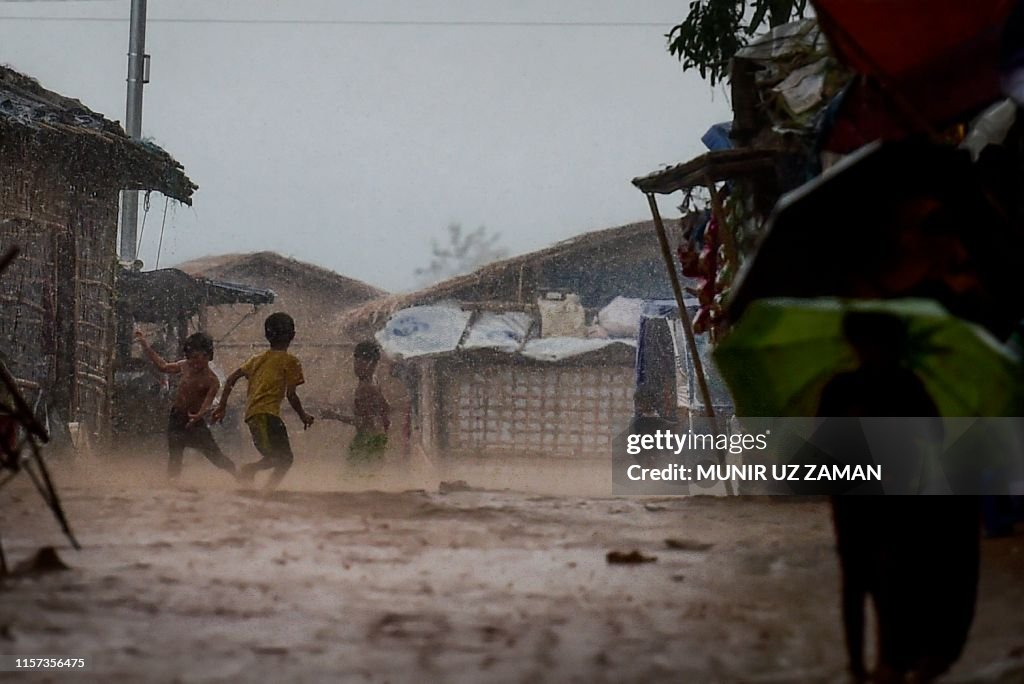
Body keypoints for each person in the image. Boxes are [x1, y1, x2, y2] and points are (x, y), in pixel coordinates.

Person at [818, 311, 980, 683]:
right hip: (853, 502)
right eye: (868, 342)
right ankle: (859, 665)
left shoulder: (907, 387)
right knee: (857, 582)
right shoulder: (843, 389)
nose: (875, 350)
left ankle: (888, 662)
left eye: (882, 343)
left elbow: (933, 442)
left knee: (890, 582)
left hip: (895, 503)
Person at [211, 312, 314, 490]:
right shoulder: (291, 361)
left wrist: (222, 406)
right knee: (278, 458)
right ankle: (249, 471)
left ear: (267, 335)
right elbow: (291, 395)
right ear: (293, 335)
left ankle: (268, 491)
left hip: (259, 416)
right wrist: (303, 415)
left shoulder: (256, 359)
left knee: (286, 459)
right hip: (264, 416)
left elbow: (230, 380)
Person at [135, 330, 237, 480]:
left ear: (208, 356)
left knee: (215, 456)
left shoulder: (211, 380)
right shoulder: (185, 366)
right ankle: (172, 485)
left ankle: (237, 474)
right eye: (190, 358)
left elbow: (208, 402)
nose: (193, 362)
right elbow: (163, 366)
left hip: (194, 421)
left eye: (197, 358)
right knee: (175, 456)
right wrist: (145, 345)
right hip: (177, 417)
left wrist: (199, 415)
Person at [321, 340, 391, 465]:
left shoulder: (366, 388)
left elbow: (362, 421)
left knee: (356, 478)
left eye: (361, 361)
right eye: (356, 360)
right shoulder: (374, 381)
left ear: (372, 364)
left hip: (366, 441)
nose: (356, 366)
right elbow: (386, 409)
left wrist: (334, 416)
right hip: (375, 439)